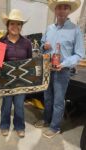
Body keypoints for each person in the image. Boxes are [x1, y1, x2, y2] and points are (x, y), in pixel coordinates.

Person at [35, 0, 85, 139]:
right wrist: (43, 47)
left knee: (58, 100)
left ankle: (55, 126)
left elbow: (80, 54)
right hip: (47, 69)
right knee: (47, 97)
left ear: (69, 11)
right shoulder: (49, 28)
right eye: (59, 8)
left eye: (65, 8)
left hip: (62, 72)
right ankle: (46, 119)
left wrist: (64, 64)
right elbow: (42, 45)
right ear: (55, 10)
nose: (62, 11)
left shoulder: (75, 30)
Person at [0, 9, 32, 138]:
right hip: (6, 81)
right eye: (12, 23)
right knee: (6, 105)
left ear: (21, 26)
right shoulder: (1, 42)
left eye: (18, 24)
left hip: (21, 80)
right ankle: (4, 125)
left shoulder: (27, 42)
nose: (15, 27)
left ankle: (19, 126)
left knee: (19, 105)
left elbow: (30, 62)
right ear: (7, 25)